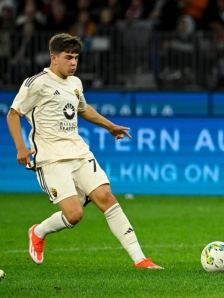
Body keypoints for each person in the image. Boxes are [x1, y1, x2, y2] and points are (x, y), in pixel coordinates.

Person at [6, 33, 162, 269]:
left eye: (76, 58)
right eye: (68, 58)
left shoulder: (75, 83)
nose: (73, 63)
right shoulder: (37, 83)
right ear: (54, 58)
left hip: (80, 153)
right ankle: (38, 232)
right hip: (51, 158)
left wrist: (110, 126)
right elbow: (13, 113)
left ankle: (140, 259)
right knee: (74, 215)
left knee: (107, 198)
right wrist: (20, 147)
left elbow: (82, 108)